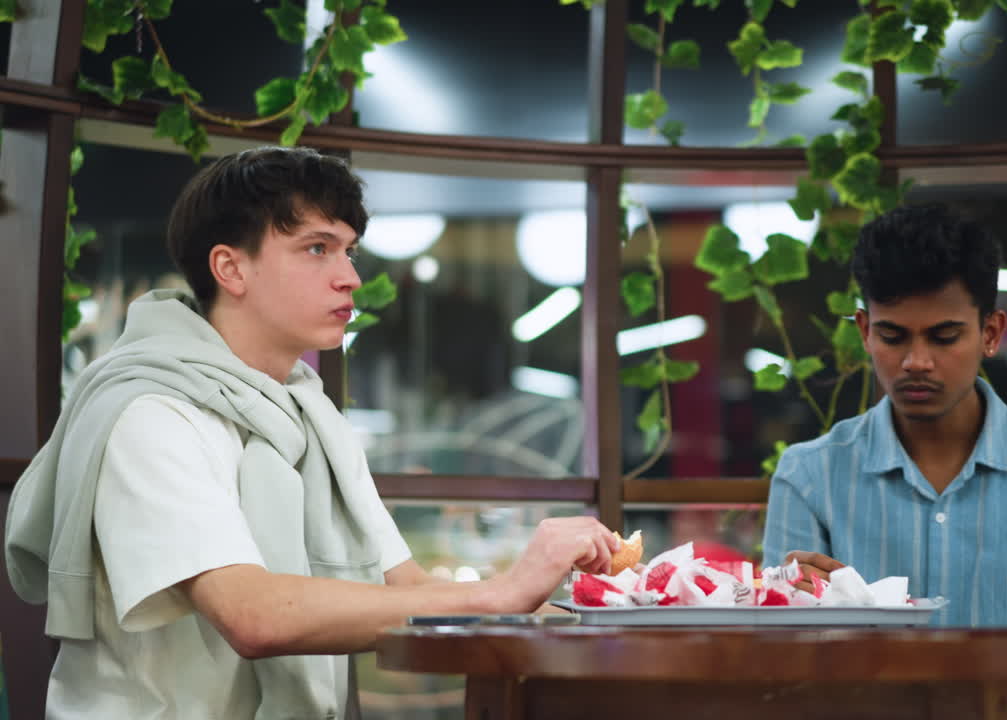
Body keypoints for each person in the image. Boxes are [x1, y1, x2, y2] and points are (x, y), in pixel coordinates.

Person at [4, 146, 619, 719]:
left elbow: (407, 586)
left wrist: (591, 602)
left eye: (349, 251)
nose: (349, 276)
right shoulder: (153, 413)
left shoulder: (311, 414)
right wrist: (502, 594)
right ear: (230, 268)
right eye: (317, 249)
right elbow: (252, 615)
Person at [761, 204, 1007, 627]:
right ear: (864, 332)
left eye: (944, 337)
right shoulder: (808, 478)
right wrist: (797, 604)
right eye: (892, 336)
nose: (916, 362)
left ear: (991, 333)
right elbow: (786, 652)